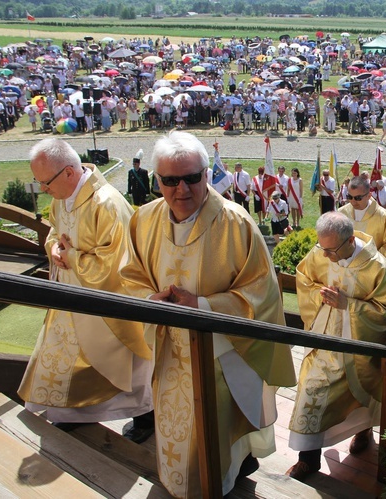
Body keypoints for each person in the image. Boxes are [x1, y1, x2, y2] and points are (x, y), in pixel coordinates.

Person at [120, 131, 296, 498]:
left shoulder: (236, 223)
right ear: (157, 181)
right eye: (170, 180)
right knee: (174, 425)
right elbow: (131, 276)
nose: (181, 189)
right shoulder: (144, 219)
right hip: (168, 348)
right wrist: (151, 300)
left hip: (218, 351)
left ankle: (217, 481)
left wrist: (201, 306)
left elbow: (260, 292)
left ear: (206, 175)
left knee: (215, 429)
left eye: (191, 178)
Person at [18, 138, 154, 444]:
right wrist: (53, 247)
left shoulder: (106, 203)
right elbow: (55, 231)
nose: (44, 190)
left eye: (46, 182)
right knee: (68, 357)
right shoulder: (61, 196)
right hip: (72, 297)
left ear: (68, 172)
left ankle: (146, 416)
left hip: (109, 303)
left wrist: (70, 257)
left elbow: (116, 262)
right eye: (39, 182)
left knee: (126, 364)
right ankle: (73, 412)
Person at [287, 212, 386, 481]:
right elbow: (304, 276)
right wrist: (321, 296)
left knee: (359, 394)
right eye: (322, 248)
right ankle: (308, 460)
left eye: (331, 250)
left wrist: (348, 306)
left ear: (350, 239)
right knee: (310, 391)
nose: (325, 255)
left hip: (357, 347)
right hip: (323, 338)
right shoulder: (322, 251)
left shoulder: (376, 267)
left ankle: (363, 431)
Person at [338, 176, 386, 254]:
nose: (353, 202)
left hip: (372, 263)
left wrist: (372, 257)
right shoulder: (342, 213)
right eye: (350, 197)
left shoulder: (383, 217)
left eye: (358, 198)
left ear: (369, 196)